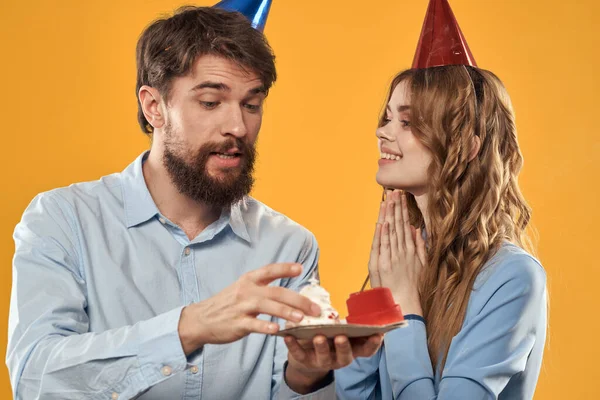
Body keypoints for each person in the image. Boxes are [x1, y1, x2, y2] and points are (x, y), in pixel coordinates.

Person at [6, 4, 381, 399]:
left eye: (251, 104)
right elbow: (35, 378)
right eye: (210, 102)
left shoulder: (290, 246)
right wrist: (189, 327)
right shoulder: (64, 220)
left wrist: (306, 376)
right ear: (154, 107)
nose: (237, 127)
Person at [334, 0, 547, 398]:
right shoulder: (402, 257)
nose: (382, 132)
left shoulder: (512, 278)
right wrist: (374, 302)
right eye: (386, 117)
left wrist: (404, 309)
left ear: (466, 145)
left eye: (407, 121)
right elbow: (354, 394)